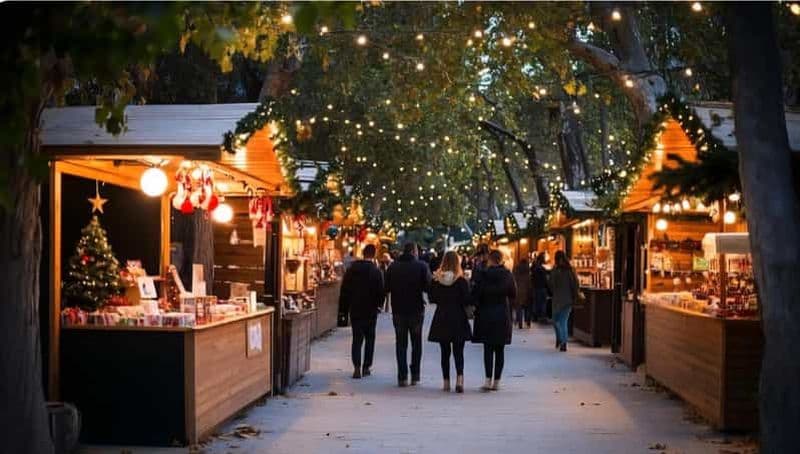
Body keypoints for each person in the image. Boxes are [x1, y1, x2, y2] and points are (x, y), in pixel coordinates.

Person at [385, 242, 432, 387]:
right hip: (416, 309)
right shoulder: (422, 266)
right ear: (414, 251)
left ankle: (402, 376)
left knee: (401, 343)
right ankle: (415, 375)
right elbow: (428, 286)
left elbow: (386, 287)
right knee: (416, 343)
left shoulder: (393, 267)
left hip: (398, 309)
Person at [427, 251, 472, 393]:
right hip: (458, 317)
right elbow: (467, 300)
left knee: (444, 352)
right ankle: (459, 379)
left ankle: (446, 382)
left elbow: (432, 298)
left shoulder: (437, 280)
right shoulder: (461, 281)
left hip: (442, 317)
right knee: (459, 351)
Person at [471, 250, 516, 391]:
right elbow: (513, 293)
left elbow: (475, 295)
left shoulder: (483, 275)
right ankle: (497, 381)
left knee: (488, 349)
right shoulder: (507, 275)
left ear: (490, 260)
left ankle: (487, 379)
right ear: (501, 260)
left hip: (485, 314)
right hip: (502, 314)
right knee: (500, 349)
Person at [339, 245, 385, 379]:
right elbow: (380, 291)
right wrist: (379, 305)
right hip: (370, 310)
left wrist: (343, 310)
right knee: (370, 338)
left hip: (355, 308)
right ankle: (366, 366)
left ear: (363, 253)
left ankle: (357, 367)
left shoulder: (351, 270)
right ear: (374, 254)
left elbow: (344, 291)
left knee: (357, 338)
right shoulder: (376, 271)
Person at [549, 251, 579, 352]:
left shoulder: (555, 270)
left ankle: (561, 339)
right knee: (563, 321)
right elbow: (575, 284)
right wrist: (575, 295)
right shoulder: (570, 270)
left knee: (555, 321)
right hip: (568, 300)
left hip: (557, 300)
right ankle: (563, 341)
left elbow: (551, 284)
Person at [512, 257, 532, 329]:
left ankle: (520, 323)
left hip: (518, 290)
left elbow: (513, 279)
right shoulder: (527, 271)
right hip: (526, 290)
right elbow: (530, 281)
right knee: (527, 307)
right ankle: (528, 322)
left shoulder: (516, 270)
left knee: (519, 308)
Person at [531, 252, 549, 323]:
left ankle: (535, 317)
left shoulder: (534, 268)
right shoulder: (542, 269)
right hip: (542, 287)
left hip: (535, 287)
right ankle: (542, 317)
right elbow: (545, 279)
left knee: (536, 302)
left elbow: (532, 278)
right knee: (543, 303)